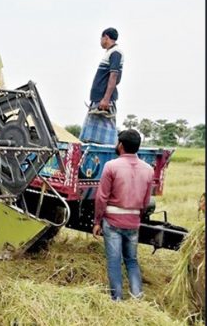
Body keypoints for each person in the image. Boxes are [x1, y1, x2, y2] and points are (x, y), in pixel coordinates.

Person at [92, 129, 154, 301]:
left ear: (120, 145)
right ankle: (137, 298)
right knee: (132, 261)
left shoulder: (111, 166)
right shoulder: (148, 169)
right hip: (133, 222)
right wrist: (136, 217)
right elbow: (146, 201)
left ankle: (117, 299)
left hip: (112, 222)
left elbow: (101, 197)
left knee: (114, 261)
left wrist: (97, 221)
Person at [79, 27, 124, 144]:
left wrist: (106, 99)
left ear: (106, 37)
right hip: (98, 99)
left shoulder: (116, 52)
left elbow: (114, 76)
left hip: (104, 101)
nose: (100, 41)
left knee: (107, 137)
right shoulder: (110, 52)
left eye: (101, 38)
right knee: (89, 137)